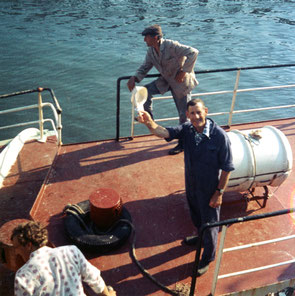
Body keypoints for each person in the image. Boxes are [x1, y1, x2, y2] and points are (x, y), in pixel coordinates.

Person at [137, 98, 234, 276]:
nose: (196, 116)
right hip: (191, 183)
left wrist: (219, 193)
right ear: (187, 116)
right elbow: (164, 132)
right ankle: (200, 236)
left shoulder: (219, 136)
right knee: (196, 214)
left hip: (209, 188)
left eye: (199, 112)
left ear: (206, 110)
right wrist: (149, 123)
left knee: (211, 224)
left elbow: (227, 168)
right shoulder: (187, 130)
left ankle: (208, 257)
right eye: (192, 113)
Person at [127, 24, 199, 155]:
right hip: (166, 81)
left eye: (146, 37)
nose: (144, 40)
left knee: (184, 116)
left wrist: (184, 71)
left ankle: (182, 144)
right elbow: (145, 67)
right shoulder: (151, 51)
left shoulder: (171, 46)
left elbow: (193, 52)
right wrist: (135, 78)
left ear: (155, 37)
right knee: (145, 91)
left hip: (180, 83)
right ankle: (150, 121)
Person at [11, 221, 116, 296]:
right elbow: (94, 279)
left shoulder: (22, 276)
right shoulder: (71, 251)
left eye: (16, 248)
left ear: (29, 245)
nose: (16, 252)